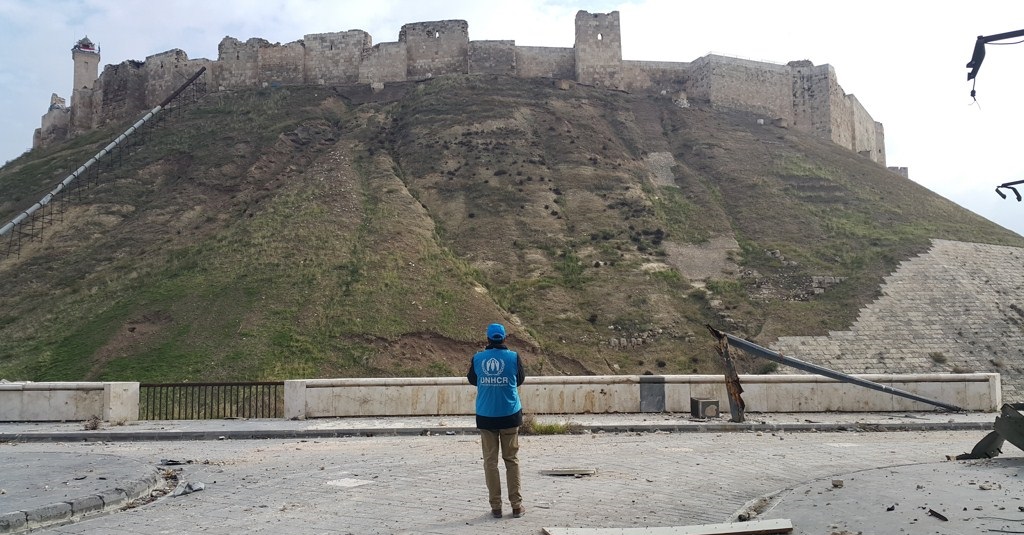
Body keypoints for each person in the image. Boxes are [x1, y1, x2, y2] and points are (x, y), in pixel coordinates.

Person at [467, 323, 526, 519]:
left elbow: (473, 379)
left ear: (488, 338)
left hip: (486, 416)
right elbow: (520, 379)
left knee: (490, 462)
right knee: (512, 460)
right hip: (509, 414)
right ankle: (516, 505)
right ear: (504, 337)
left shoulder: (477, 358)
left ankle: (496, 507)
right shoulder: (513, 357)